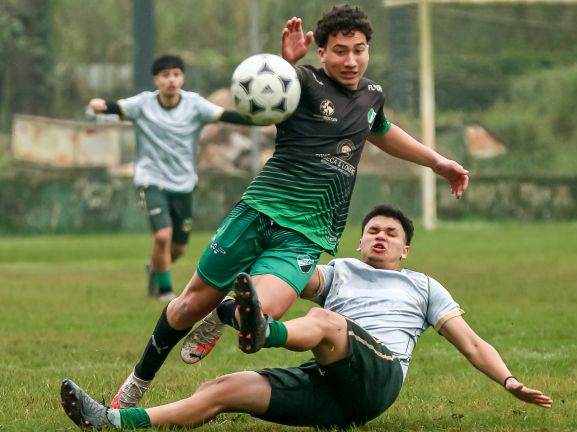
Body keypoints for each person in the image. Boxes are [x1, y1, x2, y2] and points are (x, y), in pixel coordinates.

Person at [108, 4, 470, 409]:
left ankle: (223, 314)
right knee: (188, 305)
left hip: (307, 232)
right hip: (258, 210)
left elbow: (382, 131)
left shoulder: (372, 96)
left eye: (359, 49)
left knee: (263, 314)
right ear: (322, 52)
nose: (350, 60)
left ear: (368, 49)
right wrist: (284, 64)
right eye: (340, 50)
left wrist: (437, 161)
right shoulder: (300, 82)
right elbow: (265, 103)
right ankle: (136, 384)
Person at [60, 205, 552, 430]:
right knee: (223, 389)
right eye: (373, 230)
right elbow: (287, 278)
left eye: (391, 233)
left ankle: (258, 330)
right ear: (359, 241)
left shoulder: (423, 286)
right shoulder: (338, 272)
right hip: (331, 388)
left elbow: (473, 344)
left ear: (406, 247)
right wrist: (228, 290)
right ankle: (113, 421)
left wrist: (509, 382)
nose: (380, 237)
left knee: (326, 324)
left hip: (377, 380)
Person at [88, 54, 248, 301]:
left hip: (183, 183)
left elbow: (226, 116)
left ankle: (155, 267)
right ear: (156, 80)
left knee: (179, 247)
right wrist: (101, 105)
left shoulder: (194, 105)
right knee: (163, 235)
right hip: (151, 179)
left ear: (182, 77)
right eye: (165, 75)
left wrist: (261, 118)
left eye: (176, 74)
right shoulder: (143, 104)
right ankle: (164, 290)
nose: (171, 80)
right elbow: (117, 107)